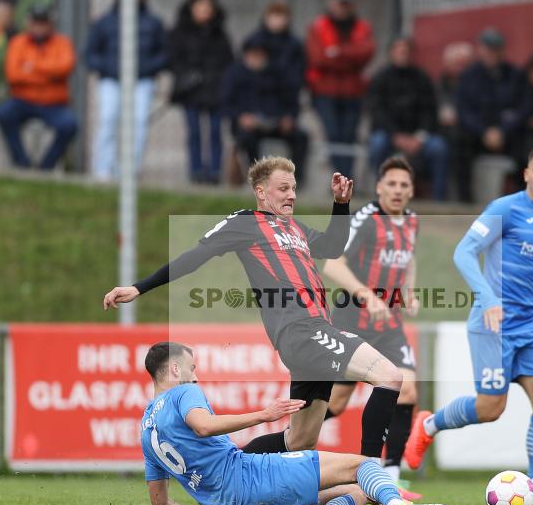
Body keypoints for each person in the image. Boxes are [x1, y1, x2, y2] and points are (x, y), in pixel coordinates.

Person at [103, 157, 405, 464]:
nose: (292, 195)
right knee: (389, 375)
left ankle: (233, 470)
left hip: (311, 335)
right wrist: (139, 287)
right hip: (303, 330)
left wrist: (341, 205)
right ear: (261, 192)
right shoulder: (245, 222)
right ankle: (372, 476)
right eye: (283, 188)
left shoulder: (294, 228)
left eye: (294, 188)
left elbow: (332, 248)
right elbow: (195, 256)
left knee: (299, 439)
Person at [404, 145, 533, 505]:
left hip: (532, 327)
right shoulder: (505, 209)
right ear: (526, 174)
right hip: (492, 325)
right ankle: (428, 425)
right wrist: (488, 298)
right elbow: (463, 252)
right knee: (490, 409)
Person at [141, 341, 455, 505]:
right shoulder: (183, 393)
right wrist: (264, 415)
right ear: (176, 370)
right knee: (363, 465)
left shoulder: (146, 430)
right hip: (251, 477)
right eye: (192, 368)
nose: (196, 376)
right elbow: (203, 425)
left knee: (359, 491)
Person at [322, 156, 421, 496]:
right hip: (353, 320)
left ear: (411, 191)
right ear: (379, 187)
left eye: (403, 185)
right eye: (391, 184)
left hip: (389, 324)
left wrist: (408, 292)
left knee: (407, 389)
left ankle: (391, 474)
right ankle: (284, 446)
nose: (397, 190)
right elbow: (333, 265)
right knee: (334, 403)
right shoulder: (365, 219)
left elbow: (408, 259)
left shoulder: (411, 221)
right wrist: (369, 296)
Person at [85, 0, 167, 180]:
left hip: (142, 81)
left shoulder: (153, 23)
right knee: (108, 120)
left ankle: (130, 171)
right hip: (111, 80)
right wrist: (108, 67)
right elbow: (90, 54)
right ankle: (103, 171)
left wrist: (145, 67)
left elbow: (164, 54)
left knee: (138, 124)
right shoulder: (104, 22)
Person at [0, 4, 78, 170]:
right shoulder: (18, 42)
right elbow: (13, 75)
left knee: (69, 125)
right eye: (35, 22)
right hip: (23, 100)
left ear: (50, 24)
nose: (39, 27)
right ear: (28, 23)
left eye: (43, 22)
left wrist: (32, 67)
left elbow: (65, 68)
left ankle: (46, 167)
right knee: (4, 114)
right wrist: (49, 75)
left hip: (53, 103)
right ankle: (22, 163)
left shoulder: (62, 43)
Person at [454, 28, 530, 203]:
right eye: (487, 48)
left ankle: (523, 206)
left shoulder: (515, 75)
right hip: (477, 135)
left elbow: (524, 109)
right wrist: (484, 132)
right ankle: (465, 204)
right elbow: (464, 111)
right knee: (459, 147)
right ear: (480, 50)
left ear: (502, 51)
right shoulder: (469, 76)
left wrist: (502, 131)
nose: (491, 53)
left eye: (495, 49)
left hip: (508, 136)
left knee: (528, 153)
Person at [366, 38, 447, 201]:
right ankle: (380, 195)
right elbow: (377, 112)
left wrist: (419, 137)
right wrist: (395, 136)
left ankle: (439, 201)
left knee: (439, 148)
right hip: (389, 135)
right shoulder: (380, 78)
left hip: (418, 137)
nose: (403, 54)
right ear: (391, 53)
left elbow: (430, 111)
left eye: (407, 50)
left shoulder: (423, 78)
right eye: (399, 50)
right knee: (377, 144)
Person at [222, 38, 308, 182]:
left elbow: (292, 101)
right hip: (249, 126)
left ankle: (295, 179)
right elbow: (226, 104)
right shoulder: (235, 74)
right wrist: (240, 117)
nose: (256, 59)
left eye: (259, 55)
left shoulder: (279, 74)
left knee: (301, 137)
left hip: (276, 122)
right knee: (247, 139)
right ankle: (257, 177)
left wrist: (289, 118)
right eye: (252, 55)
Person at [306, 0, 374, 178]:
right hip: (325, 93)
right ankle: (341, 180)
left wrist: (338, 53)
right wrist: (351, 58)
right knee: (333, 136)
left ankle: (346, 181)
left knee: (349, 137)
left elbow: (366, 53)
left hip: (354, 93)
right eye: (339, 3)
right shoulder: (318, 26)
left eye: (346, 4)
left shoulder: (363, 27)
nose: (343, 8)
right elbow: (318, 58)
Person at [168, 0, 233, 184]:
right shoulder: (180, 33)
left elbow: (228, 63)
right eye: (200, 7)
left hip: (215, 91)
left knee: (215, 131)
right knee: (194, 131)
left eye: (207, 7)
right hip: (191, 91)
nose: (203, 11)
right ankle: (195, 170)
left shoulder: (220, 34)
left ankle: (215, 170)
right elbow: (173, 60)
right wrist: (187, 77)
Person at [243, 1, 304, 98]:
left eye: (280, 17)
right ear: (266, 18)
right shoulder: (254, 41)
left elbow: (298, 70)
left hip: (285, 96)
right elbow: (245, 69)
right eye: (274, 17)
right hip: (258, 96)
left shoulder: (294, 43)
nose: (277, 21)